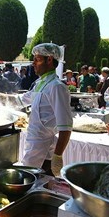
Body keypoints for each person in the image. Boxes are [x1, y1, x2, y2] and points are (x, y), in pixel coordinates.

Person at [20, 43, 73, 177]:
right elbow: (19, 100)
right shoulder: (40, 84)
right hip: (32, 149)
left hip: (44, 156)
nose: (33, 63)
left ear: (49, 60)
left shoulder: (56, 87)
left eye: (37, 59)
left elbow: (66, 128)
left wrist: (57, 156)